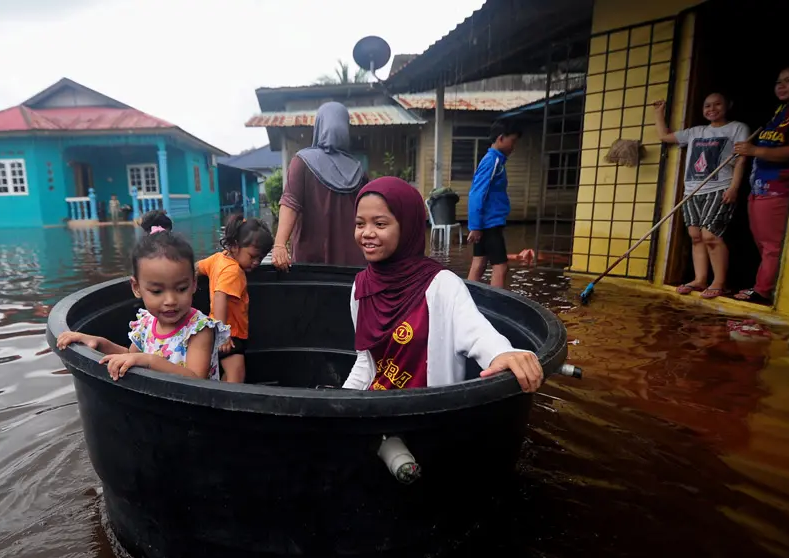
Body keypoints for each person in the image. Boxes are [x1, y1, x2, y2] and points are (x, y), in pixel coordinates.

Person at [343, 176, 544, 393]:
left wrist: (502, 353)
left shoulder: (441, 285)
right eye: (360, 224)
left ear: (407, 225)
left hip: (429, 412)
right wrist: (342, 401)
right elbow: (365, 362)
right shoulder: (362, 287)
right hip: (376, 408)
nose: (367, 233)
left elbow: (477, 333)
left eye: (380, 224)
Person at [56, 230, 229, 381]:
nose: (170, 300)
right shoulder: (146, 323)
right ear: (137, 288)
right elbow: (130, 356)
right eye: (156, 291)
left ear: (193, 284)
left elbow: (196, 379)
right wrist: (97, 342)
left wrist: (150, 361)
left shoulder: (198, 329)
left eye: (181, 289)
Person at [652, 93, 750, 298]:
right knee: (696, 237)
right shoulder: (696, 132)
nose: (712, 109)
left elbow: (741, 160)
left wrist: (734, 187)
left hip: (719, 188)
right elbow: (665, 136)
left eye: (717, 104)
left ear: (728, 105)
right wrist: (658, 113)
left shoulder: (737, 128)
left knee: (710, 235)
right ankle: (700, 279)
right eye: (707, 106)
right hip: (692, 190)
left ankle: (719, 282)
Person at [733, 66, 789, 305]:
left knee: (771, 245)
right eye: (779, 81)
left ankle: (763, 293)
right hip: (759, 188)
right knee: (761, 242)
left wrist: (755, 150)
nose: (782, 85)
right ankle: (762, 285)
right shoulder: (780, 112)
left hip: (777, 188)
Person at [272, 102, 368, 271]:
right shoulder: (359, 170)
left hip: (310, 261)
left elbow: (290, 203)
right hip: (351, 263)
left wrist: (280, 244)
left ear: (319, 125)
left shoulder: (301, 161)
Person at [197, 215, 274, 383]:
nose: (256, 263)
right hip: (230, 334)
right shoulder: (233, 272)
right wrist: (223, 334)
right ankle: (223, 406)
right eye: (252, 256)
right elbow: (220, 297)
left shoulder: (218, 259)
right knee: (236, 375)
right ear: (234, 246)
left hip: (220, 330)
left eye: (260, 258)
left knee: (229, 373)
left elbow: (197, 268)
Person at [467, 119, 522, 288]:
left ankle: (464, 302)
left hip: (486, 222)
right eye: (512, 141)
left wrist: (476, 225)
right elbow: (477, 193)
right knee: (500, 267)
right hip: (490, 223)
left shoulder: (495, 161)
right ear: (501, 138)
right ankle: (496, 305)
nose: (513, 146)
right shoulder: (492, 161)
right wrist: (475, 226)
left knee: (480, 263)